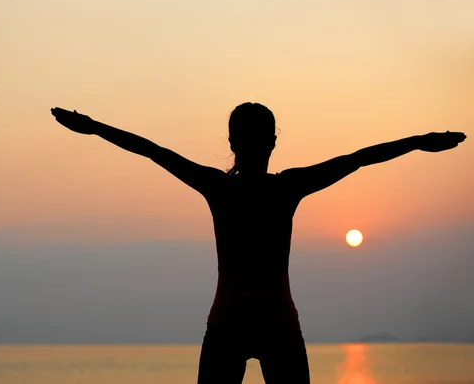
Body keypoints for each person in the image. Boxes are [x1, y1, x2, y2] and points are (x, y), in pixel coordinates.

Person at [50, 103, 466, 383]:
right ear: (271, 142)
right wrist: (418, 141)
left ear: (237, 143)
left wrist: (92, 127)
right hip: (264, 326)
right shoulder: (282, 187)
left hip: (247, 326)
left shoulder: (224, 186)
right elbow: (357, 158)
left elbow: (153, 151)